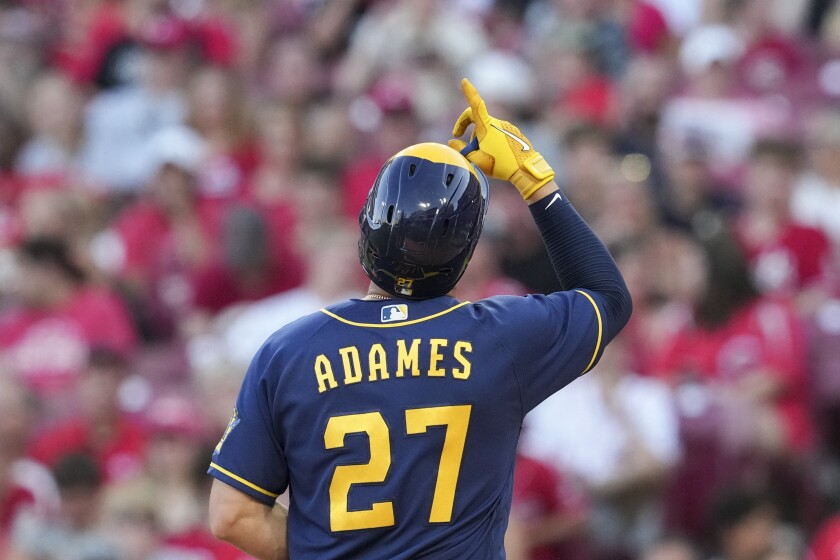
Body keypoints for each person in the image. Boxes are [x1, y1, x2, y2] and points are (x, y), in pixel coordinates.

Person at [207, 79, 631, 559]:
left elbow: (232, 515)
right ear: (466, 251)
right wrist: (535, 183)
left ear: (367, 225)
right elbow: (609, 296)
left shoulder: (289, 351)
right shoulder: (503, 336)